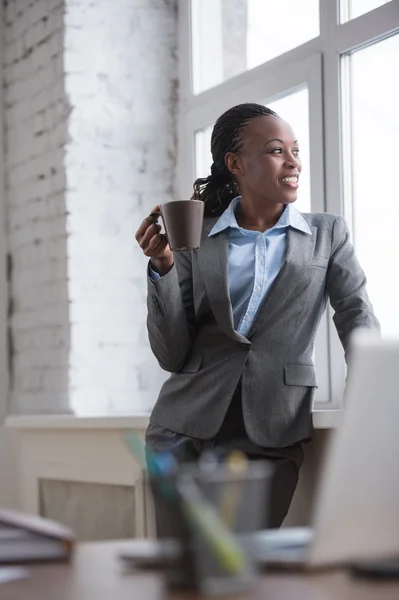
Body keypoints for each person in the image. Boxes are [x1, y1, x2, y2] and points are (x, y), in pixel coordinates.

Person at [135, 103, 380, 529]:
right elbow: (172, 353)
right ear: (236, 164)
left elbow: (356, 315)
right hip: (182, 430)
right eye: (275, 150)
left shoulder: (328, 234)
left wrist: (373, 399)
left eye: (296, 151)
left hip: (273, 429)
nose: (293, 162)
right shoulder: (197, 236)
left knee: (248, 573)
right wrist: (164, 266)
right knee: (187, 580)